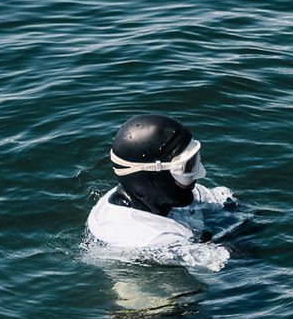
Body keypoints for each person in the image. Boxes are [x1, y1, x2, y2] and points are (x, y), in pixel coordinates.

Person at [83, 113, 241, 265]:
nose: (200, 174)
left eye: (195, 160)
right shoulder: (151, 240)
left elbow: (228, 204)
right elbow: (231, 266)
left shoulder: (146, 192)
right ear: (153, 177)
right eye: (188, 168)